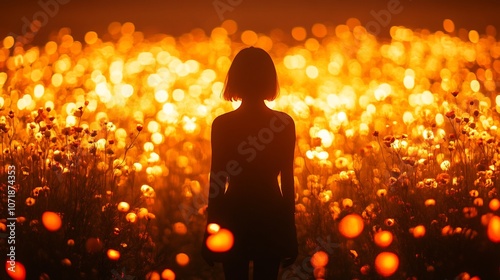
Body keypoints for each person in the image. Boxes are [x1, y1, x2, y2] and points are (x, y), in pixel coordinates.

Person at [202, 47, 298, 279]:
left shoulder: (223, 125)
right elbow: (287, 182)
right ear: (269, 80)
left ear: (235, 80)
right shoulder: (284, 124)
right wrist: (290, 232)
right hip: (271, 214)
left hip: (234, 214)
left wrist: (209, 231)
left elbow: (217, 181)